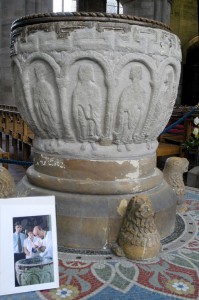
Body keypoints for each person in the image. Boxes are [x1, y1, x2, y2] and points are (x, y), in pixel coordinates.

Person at [13, 221, 26, 286]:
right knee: (15, 268)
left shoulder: (24, 235)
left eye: (20, 227)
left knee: (23, 268)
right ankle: (16, 282)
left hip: (22, 254)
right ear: (15, 228)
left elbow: (25, 245)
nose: (19, 228)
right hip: (15, 254)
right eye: (18, 227)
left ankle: (23, 281)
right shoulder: (12, 236)